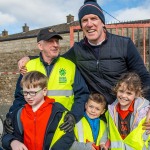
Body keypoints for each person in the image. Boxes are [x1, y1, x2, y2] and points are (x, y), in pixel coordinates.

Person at [17, 0, 150, 130]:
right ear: (81, 25)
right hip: (98, 112)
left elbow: (143, 76)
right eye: (84, 20)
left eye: (94, 18)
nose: (89, 24)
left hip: (126, 110)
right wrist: (30, 58)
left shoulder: (124, 44)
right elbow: (56, 59)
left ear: (102, 22)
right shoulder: (78, 50)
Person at [4, 27, 89, 134]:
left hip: (63, 126)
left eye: (57, 41)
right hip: (34, 125)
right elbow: (20, 97)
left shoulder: (70, 66)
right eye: (50, 41)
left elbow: (82, 94)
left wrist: (74, 115)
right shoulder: (29, 66)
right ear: (40, 46)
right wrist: (11, 115)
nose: (56, 45)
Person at [2, 71, 74, 150]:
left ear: (44, 91)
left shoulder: (58, 112)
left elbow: (67, 138)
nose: (28, 96)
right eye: (25, 92)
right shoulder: (18, 113)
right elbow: (5, 135)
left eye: (33, 92)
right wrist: (12, 142)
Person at [106, 72, 150, 149]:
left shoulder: (145, 111)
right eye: (121, 91)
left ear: (136, 94)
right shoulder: (111, 110)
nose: (123, 96)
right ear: (117, 89)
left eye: (129, 93)